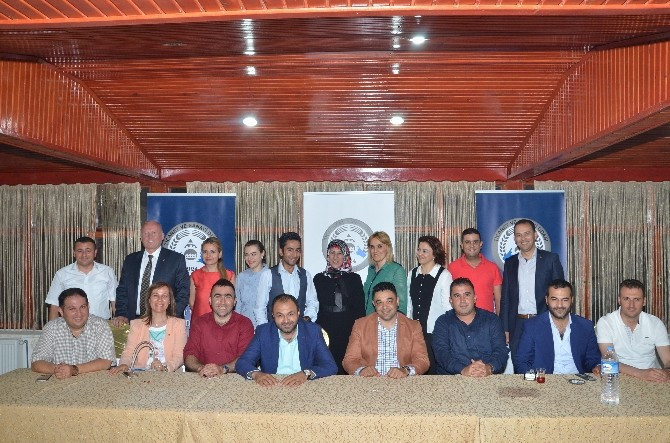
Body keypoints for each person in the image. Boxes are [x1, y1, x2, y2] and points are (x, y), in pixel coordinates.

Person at [237, 294, 337, 386]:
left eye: (290, 314)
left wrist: (306, 373)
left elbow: (330, 366)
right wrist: (256, 374)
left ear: (298, 313)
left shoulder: (313, 331)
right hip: (273, 385)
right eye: (280, 315)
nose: (286, 320)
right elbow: (243, 362)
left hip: (304, 384)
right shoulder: (263, 332)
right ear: (273, 316)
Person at [501, 219, 564, 361]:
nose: (523, 238)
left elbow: (560, 294)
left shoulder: (550, 259)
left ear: (535, 235)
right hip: (517, 325)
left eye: (527, 234)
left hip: (544, 321)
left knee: (544, 364)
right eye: (518, 235)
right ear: (515, 239)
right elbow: (505, 298)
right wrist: (504, 328)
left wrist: (560, 322)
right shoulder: (510, 263)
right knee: (519, 364)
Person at [514, 279, 601, 375]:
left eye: (565, 300)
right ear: (547, 300)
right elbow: (522, 362)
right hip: (545, 379)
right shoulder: (532, 326)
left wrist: (596, 367)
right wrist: (534, 379)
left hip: (579, 380)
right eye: (554, 299)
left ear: (572, 300)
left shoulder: (585, 326)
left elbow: (593, 359)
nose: (560, 305)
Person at [342, 282, 429, 377]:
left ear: (397, 301)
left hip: (402, 381)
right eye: (379, 302)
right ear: (374, 304)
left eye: (389, 301)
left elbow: (422, 360)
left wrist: (405, 370)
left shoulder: (413, 326)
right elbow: (349, 360)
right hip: (370, 381)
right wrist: (362, 370)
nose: (384, 307)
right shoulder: (360, 325)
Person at [113, 220, 190, 326]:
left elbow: (183, 292)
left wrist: (170, 316)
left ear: (162, 236)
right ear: (141, 237)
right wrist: (121, 314)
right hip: (133, 321)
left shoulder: (176, 260)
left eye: (154, 233)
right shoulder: (130, 260)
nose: (149, 236)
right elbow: (122, 290)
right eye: (146, 233)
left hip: (165, 322)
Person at [596, 279, 670, 382]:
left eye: (637, 299)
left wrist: (666, 372)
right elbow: (609, 361)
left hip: (651, 380)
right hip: (617, 379)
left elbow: (667, 360)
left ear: (644, 301)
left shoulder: (655, 323)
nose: (631, 305)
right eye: (626, 299)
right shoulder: (606, 322)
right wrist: (641, 373)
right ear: (619, 300)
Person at [31, 288, 115, 378]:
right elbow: (36, 362)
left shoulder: (100, 325)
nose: (79, 314)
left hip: (93, 381)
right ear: (61, 311)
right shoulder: (52, 328)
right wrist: (59, 370)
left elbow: (106, 361)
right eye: (72, 309)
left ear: (88, 306)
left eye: (82, 307)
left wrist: (73, 369)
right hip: (60, 382)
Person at [432, 278, 508, 376]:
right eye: (457, 296)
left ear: (475, 298)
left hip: (487, 376)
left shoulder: (492, 320)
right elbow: (441, 353)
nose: (462, 300)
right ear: (450, 300)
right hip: (453, 378)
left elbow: (501, 351)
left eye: (467, 295)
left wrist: (488, 368)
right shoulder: (442, 322)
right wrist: (463, 370)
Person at [110, 282, 187, 374]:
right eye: (155, 295)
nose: (160, 299)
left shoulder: (178, 324)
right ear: (149, 300)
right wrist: (124, 364)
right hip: (140, 375)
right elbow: (129, 352)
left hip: (169, 375)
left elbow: (180, 356)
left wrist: (165, 368)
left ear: (170, 301)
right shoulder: (136, 324)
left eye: (164, 296)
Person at [313, 239, 366, 374]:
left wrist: (358, 332)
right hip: (326, 328)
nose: (335, 257)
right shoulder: (318, 279)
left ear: (345, 256)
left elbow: (360, 309)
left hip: (348, 328)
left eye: (339, 253)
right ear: (327, 255)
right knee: (327, 365)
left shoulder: (355, 278)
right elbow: (315, 306)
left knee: (347, 364)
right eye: (332, 253)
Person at [184, 279, 254, 377]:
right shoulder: (199, 323)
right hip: (203, 377)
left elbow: (246, 357)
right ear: (210, 300)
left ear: (235, 301)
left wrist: (223, 369)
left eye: (228, 296)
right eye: (218, 296)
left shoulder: (245, 324)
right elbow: (189, 354)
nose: (222, 302)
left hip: (234, 379)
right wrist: (201, 368)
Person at [406, 235, 452, 374]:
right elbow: (409, 305)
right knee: (415, 369)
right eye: (419, 249)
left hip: (435, 334)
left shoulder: (444, 275)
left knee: (432, 370)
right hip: (415, 333)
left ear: (434, 254)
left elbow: (448, 308)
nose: (420, 253)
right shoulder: (412, 273)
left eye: (425, 251)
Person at [45, 236, 117, 320]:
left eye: (88, 251)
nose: (84, 255)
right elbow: (54, 304)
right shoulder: (62, 274)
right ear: (74, 253)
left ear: (95, 252)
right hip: (71, 325)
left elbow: (115, 301)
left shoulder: (107, 272)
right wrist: (52, 327)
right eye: (80, 251)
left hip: (102, 324)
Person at [254, 232, 318, 326]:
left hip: (300, 331)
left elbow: (313, 302)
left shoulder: (305, 275)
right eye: (290, 250)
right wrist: (266, 330)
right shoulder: (268, 275)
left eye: (297, 250)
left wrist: (307, 319)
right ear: (281, 251)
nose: (294, 254)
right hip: (274, 330)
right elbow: (260, 309)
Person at [448, 228, 502, 314]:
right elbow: (449, 298)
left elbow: (499, 300)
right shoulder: (452, 268)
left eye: (475, 242)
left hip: (487, 320)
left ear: (481, 244)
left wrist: (499, 321)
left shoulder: (493, 268)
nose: (472, 245)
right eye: (467, 242)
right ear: (462, 245)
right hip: (460, 320)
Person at [190, 237, 236, 318]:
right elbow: (192, 303)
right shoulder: (195, 275)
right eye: (205, 252)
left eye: (212, 252)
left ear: (220, 254)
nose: (208, 255)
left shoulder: (230, 275)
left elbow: (231, 303)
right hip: (200, 322)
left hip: (223, 322)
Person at [363, 231, 407, 315]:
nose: (375, 251)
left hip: (386, 320)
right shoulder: (371, 269)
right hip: (368, 320)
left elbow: (401, 305)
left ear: (387, 247)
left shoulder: (396, 270)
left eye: (379, 246)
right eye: (372, 247)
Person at [235, 240, 268, 327]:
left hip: (265, 327)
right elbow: (238, 305)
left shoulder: (271, 275)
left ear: (262, 253)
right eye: (247, 255)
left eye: (253, 254)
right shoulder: (241, 277)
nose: (250, 258)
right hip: (244, 327)